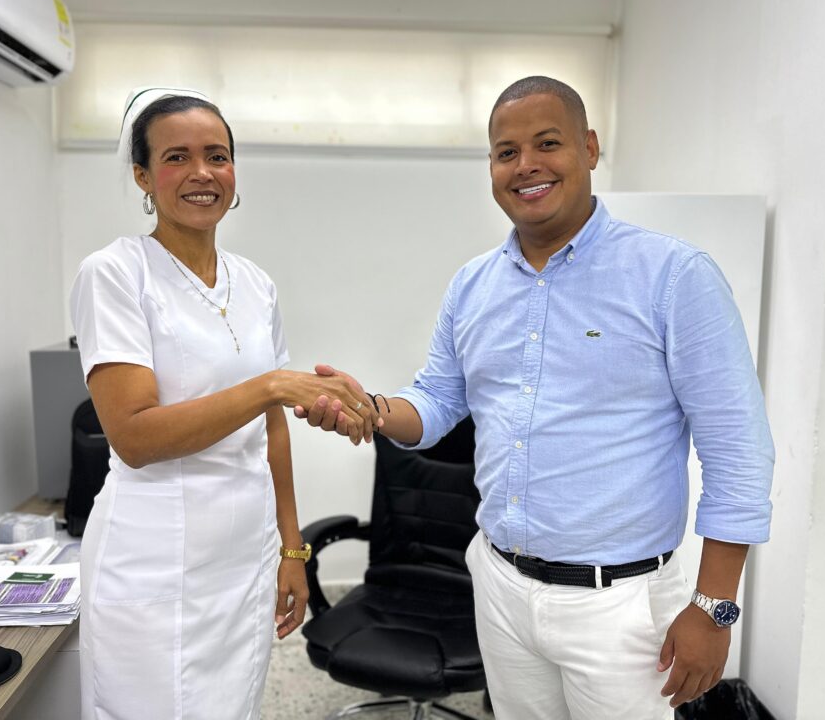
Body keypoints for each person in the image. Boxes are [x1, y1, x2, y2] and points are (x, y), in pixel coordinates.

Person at [296, 76, 775, 719]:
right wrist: (370, 410)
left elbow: (738, 449)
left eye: (548, 143)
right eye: (506, 152)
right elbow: (437, 401)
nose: (526, 165)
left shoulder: (674, 276)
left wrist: (714, 608)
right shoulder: (472, 286)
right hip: (501, 584)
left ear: (590, 147)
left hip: (618, 605)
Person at [69, 87, 379, 720]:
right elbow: (135, 437)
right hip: (153, 561)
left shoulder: (255, 284)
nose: (202, 173)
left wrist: (292, 550)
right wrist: (271, 386)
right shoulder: (115, 273)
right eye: (176, 157)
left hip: (244, 555)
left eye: (217, 155)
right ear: (143, 176)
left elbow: (272, 433)